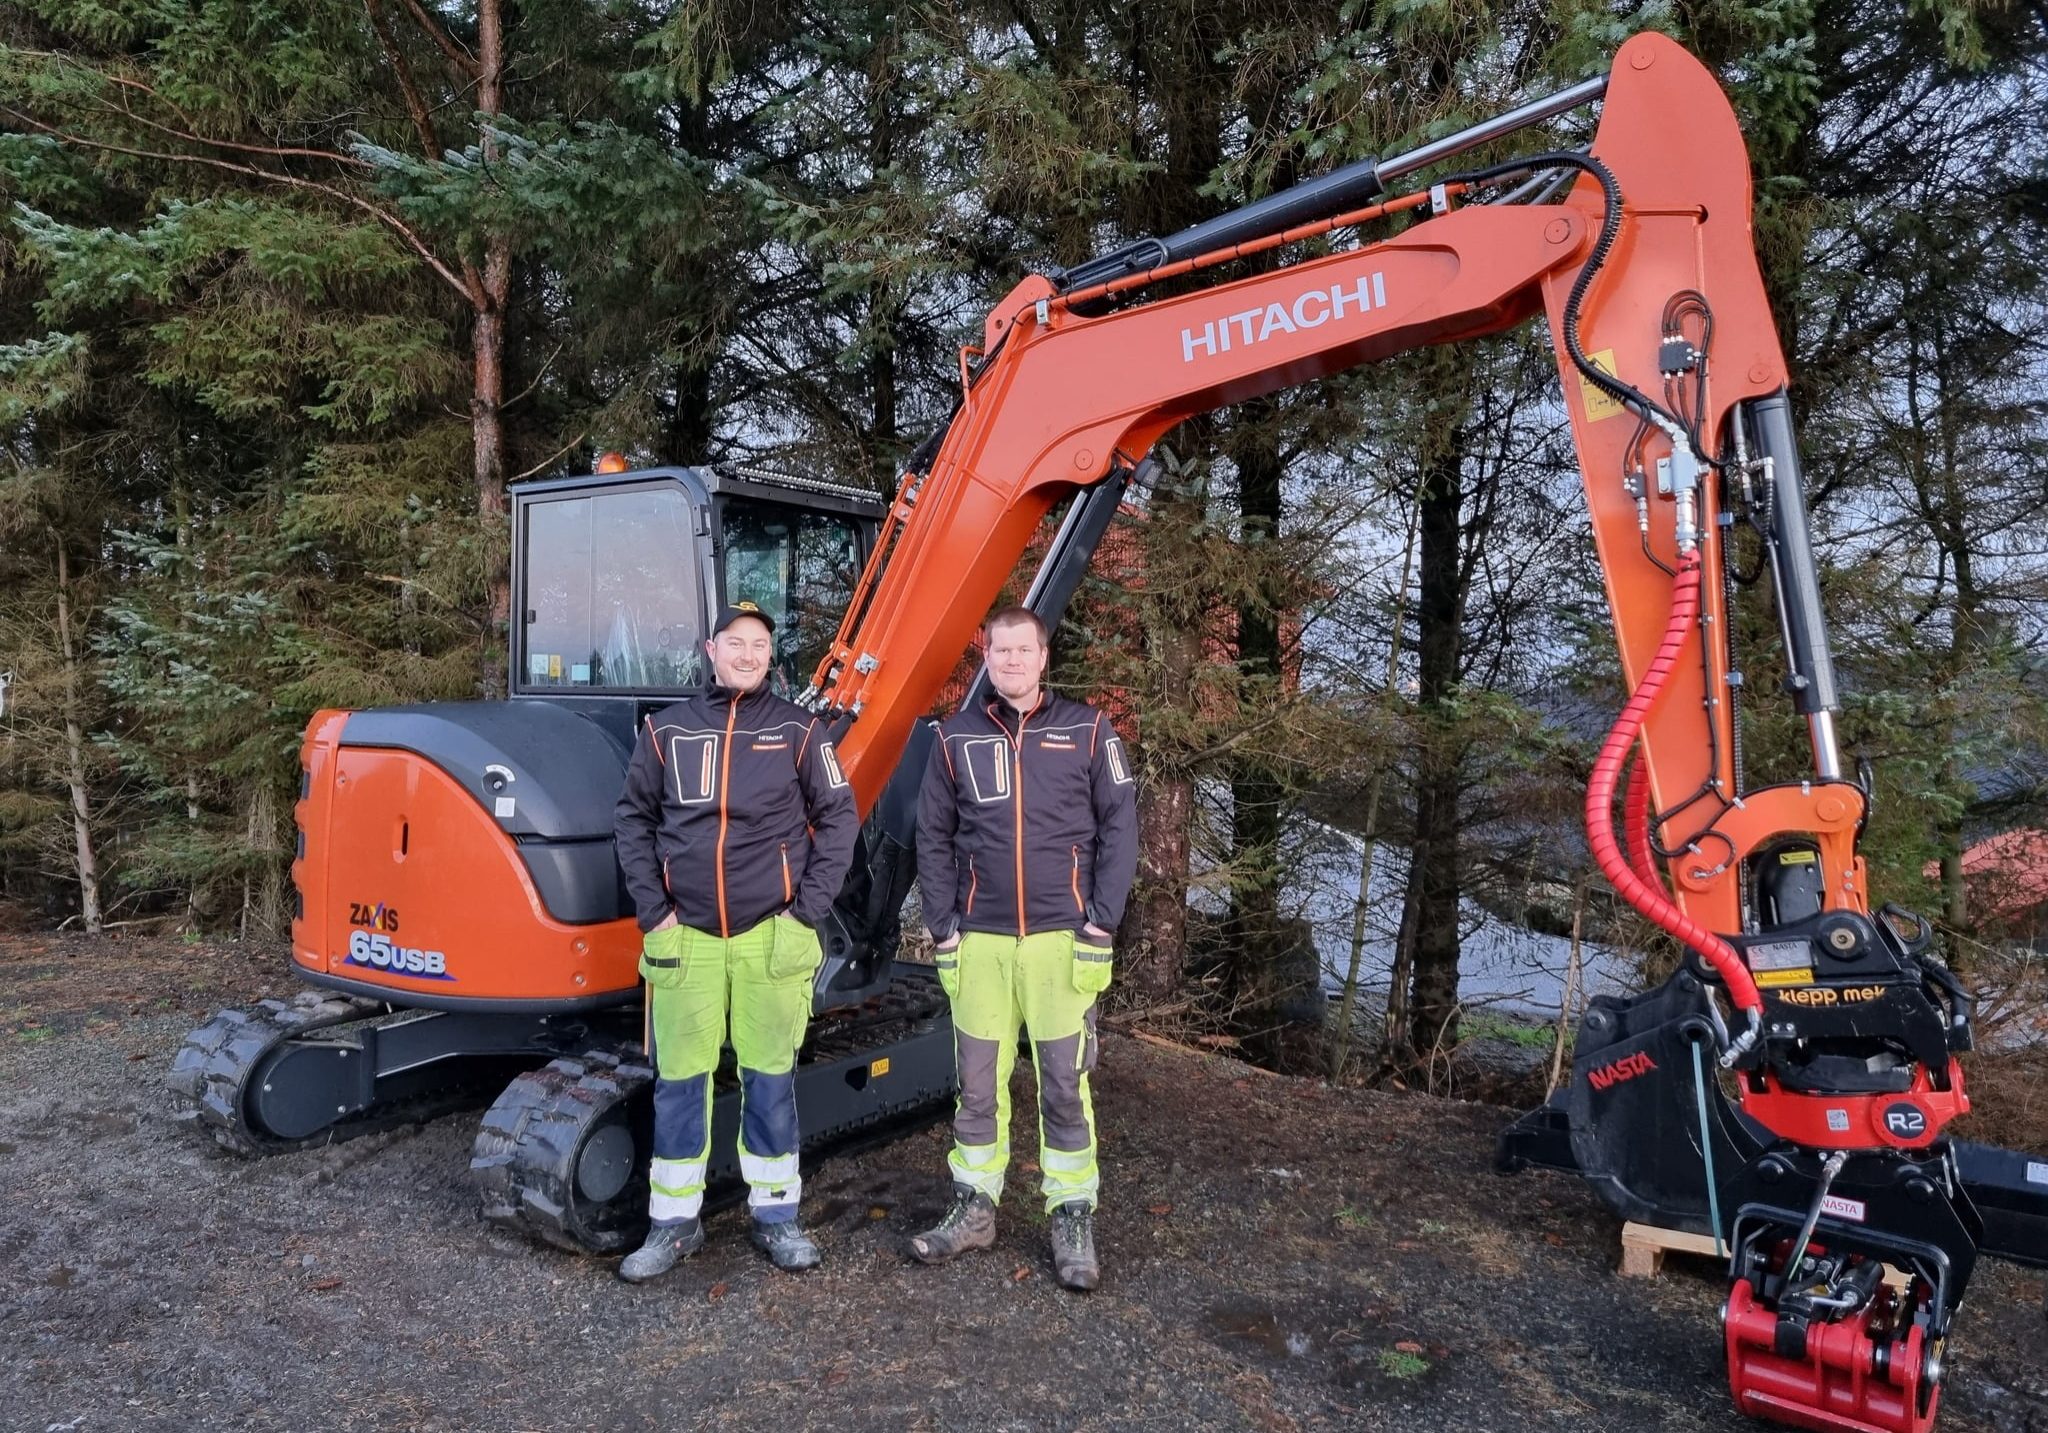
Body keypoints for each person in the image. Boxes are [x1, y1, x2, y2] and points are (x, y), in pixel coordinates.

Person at [612, 600, 859, 1281]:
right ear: (710, 649)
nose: (748, 654)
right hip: (684, 939)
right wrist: (654, 911)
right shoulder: (666, 732)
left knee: (770, 1080)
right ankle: (672, 1225)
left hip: (767, 937)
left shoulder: (799, 732)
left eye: (760, 644)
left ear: (769, 657)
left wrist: (805, 912)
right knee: (680, 1083)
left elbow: (839, 819)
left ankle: (777, 1217)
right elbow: (633, 820)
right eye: (736, 642)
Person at [908, 605, 1138, 1291]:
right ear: (987, 656)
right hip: (979, 941)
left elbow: (1120, 829)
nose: (1009, 660)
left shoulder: (1089, 731)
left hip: (1061, 941)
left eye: (1022, 649)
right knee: (976, 1084)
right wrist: (944, 927)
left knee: (1065, 1083)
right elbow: (933, 836)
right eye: (998, 650)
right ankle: (975, 1204)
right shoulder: (955, 737)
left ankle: (1072, 1211)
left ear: (1044, 657)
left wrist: (1101, 925)